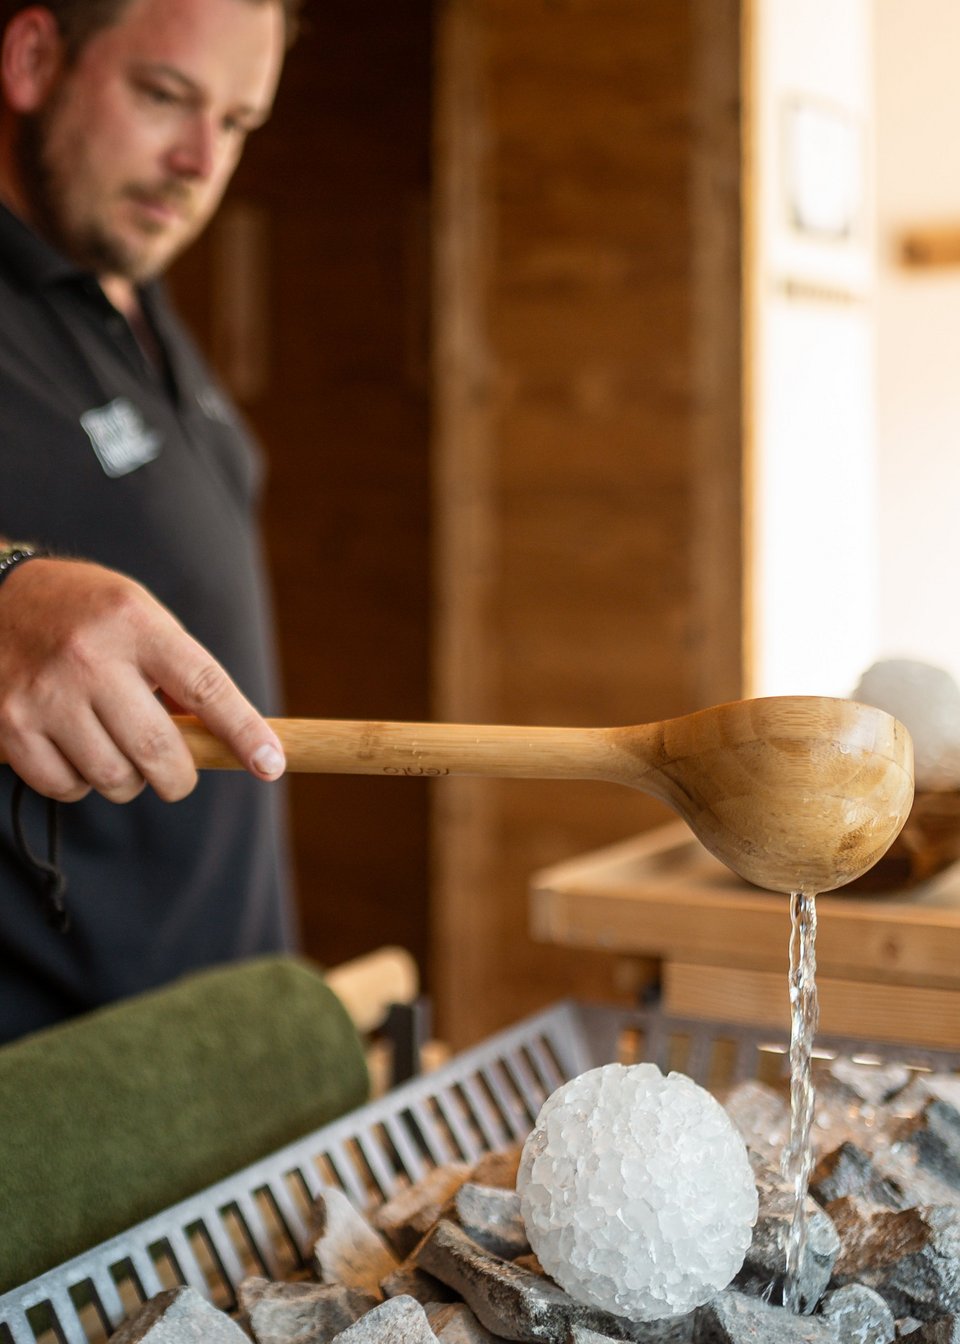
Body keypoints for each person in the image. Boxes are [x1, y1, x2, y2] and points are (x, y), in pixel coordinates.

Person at [0, 0, 304, 1044]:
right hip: (49, 1101)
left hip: (213, 1052)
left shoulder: (132, 298)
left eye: (237, 122)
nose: (198, 159)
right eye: (165, 96)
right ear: (34, 57)